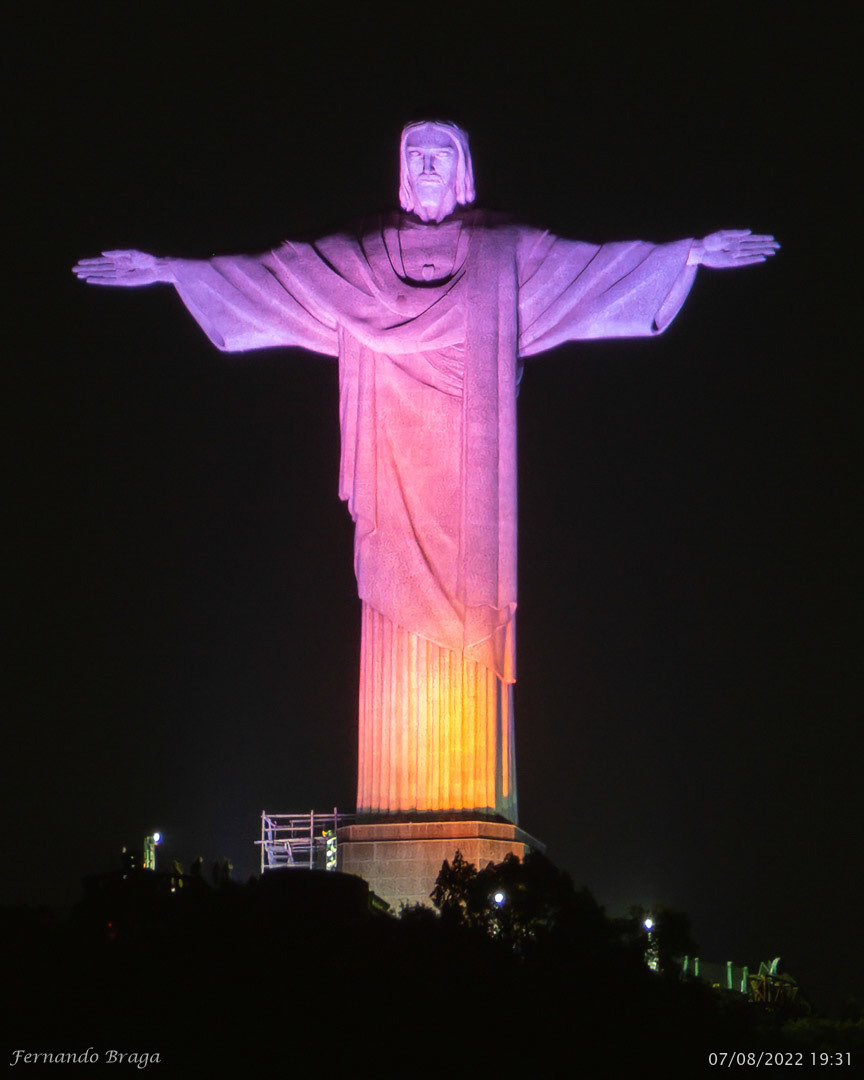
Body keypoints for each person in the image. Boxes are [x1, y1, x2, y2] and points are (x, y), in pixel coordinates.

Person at [73, 121, 778, 823]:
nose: (431, 166)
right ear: (402, 170)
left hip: (471, 493)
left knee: (470, 625)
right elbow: (273, 277)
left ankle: (475, 810)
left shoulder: (503, 254)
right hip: (392, 473)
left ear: (464, 167)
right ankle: (389, 809)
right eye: (418, 156)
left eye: (443, 155)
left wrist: (686, 256)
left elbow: (592, 270)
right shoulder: (361, 259)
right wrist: (170, 270)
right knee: (390, 610)